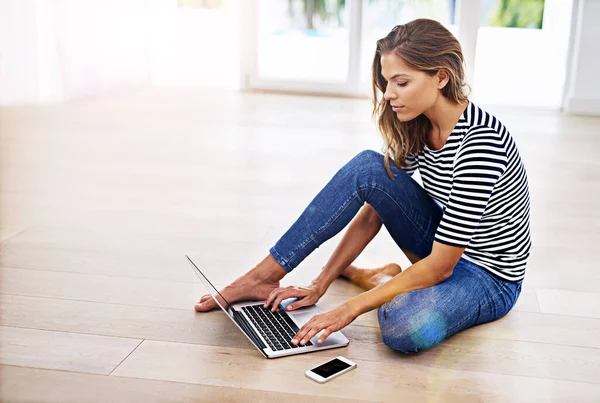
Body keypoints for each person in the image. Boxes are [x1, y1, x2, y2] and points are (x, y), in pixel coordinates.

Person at [194, 18, 531, 354]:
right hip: (444, 244)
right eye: (387, 82)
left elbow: (442, 266)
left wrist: (349, 309)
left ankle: (379, 280)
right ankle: (262, 276)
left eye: (401, 82)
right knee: (369, 168)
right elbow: (375, 210)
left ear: (441, 77)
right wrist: (319, 284)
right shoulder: (420, 126)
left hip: (489, 276)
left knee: (402, 327)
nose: (389, 95)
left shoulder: (481, 145)